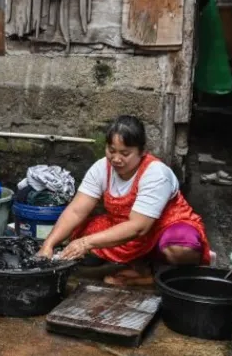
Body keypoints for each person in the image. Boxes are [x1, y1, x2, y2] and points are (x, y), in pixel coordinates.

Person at [37, 116, 211, 286]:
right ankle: (140, 268)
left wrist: (86, 243)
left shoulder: (156, 174)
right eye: (111, 150)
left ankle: (157, 275)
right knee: (77, 233)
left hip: (162, 227)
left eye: (125, 153)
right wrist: (48, 245)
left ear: (142, 151)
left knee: (180, 247)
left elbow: (138, 227)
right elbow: (76, 210)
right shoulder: (101, 168)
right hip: (122, 225)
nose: (116, 159)